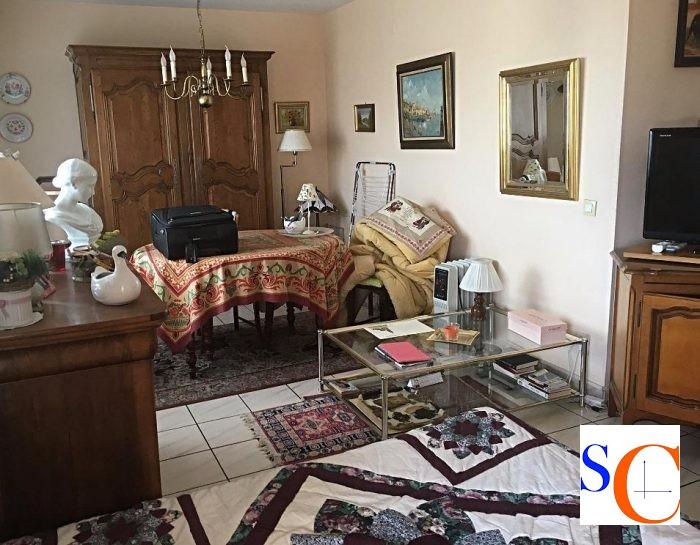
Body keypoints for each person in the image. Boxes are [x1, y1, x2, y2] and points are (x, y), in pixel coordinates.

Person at [44, 159, 103, 249]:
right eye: (90, 186)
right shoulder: (53, 217)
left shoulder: (88, 212)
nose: (93, 192)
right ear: (74, 183)